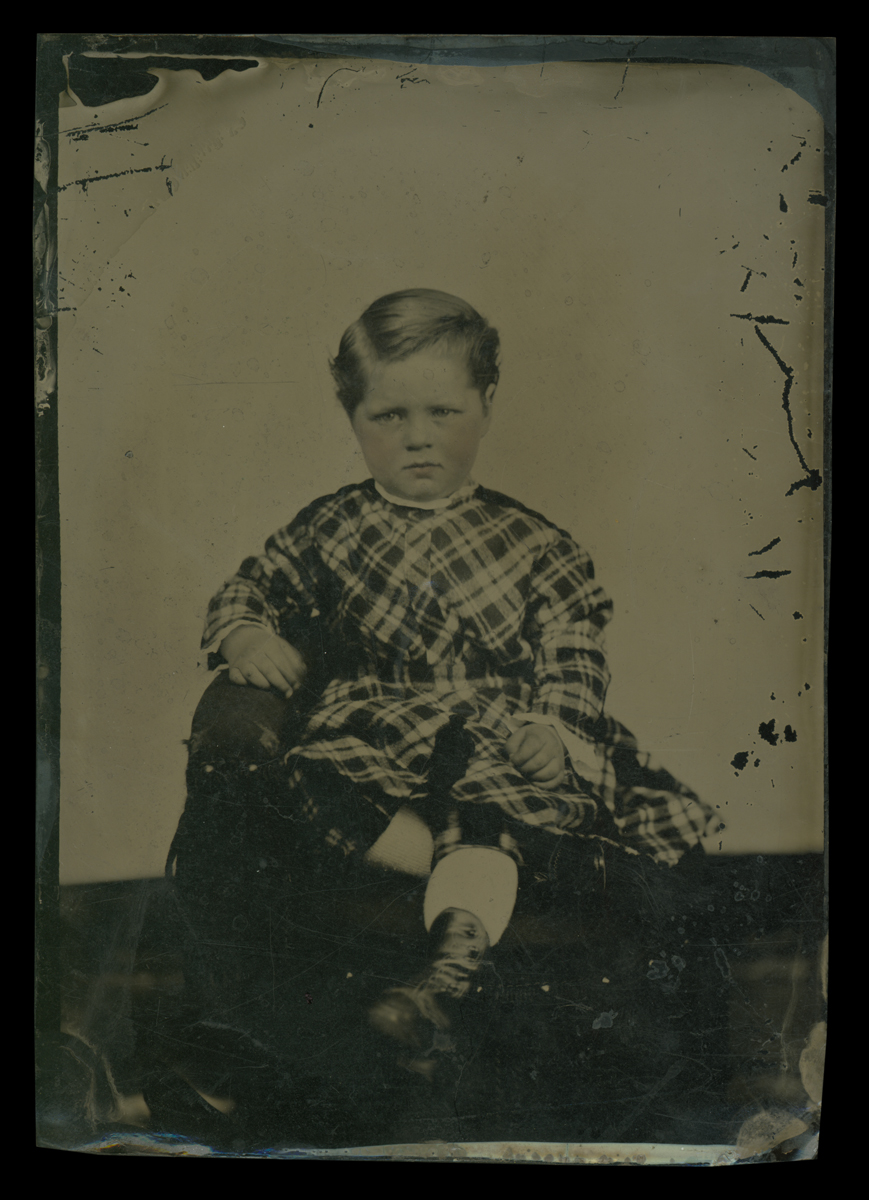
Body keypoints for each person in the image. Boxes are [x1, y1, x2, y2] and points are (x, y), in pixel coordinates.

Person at [168, 288, 713, 1077]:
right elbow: (253, 585)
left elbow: (571, 651)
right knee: (306, 784)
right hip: (372, 733)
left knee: (487, 801)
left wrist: (552, 732)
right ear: (350, 414)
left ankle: (448, 973)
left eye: (441, 413)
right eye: (387, 417)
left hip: (492, 732)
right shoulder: (327, 529)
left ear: (485, 405)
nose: (417, 439)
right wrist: (245, 631)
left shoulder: (534, 543)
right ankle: (470, 889)